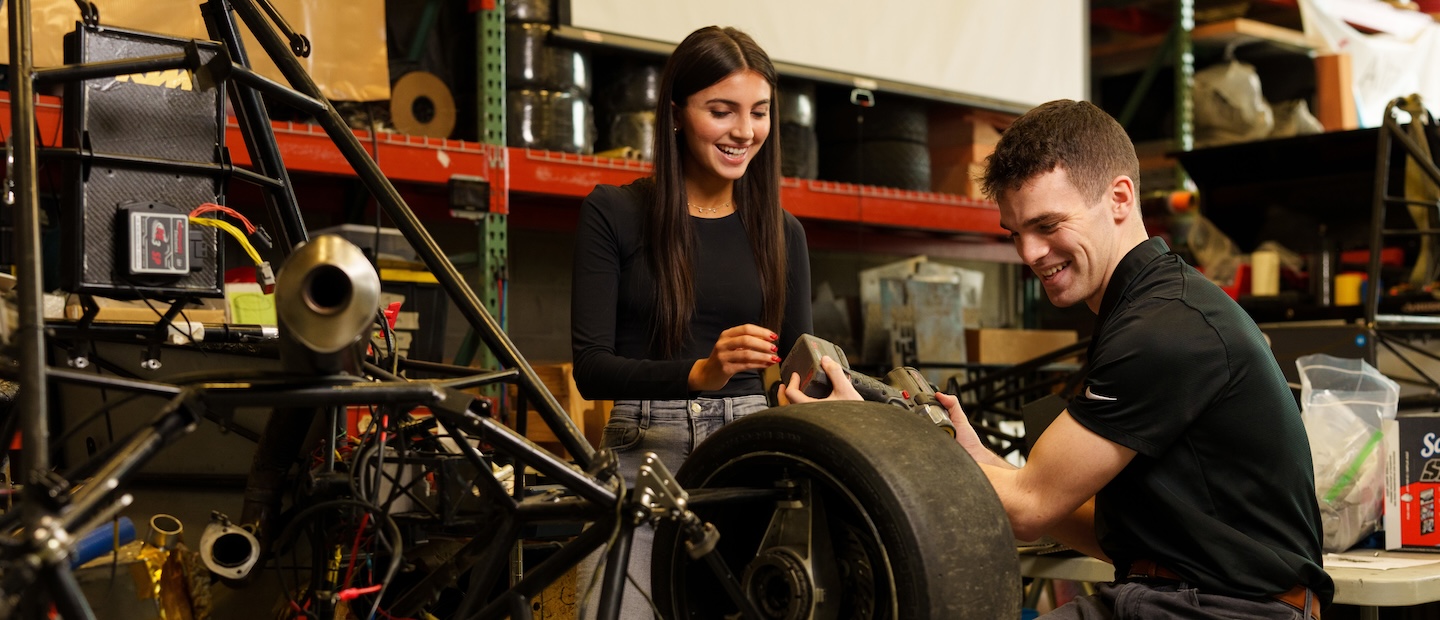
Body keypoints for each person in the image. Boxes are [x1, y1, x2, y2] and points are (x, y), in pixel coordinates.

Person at [787, 99, 1332, 619]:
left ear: (1119, 198)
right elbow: (1096, 525)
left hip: (1226, 611)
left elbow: (1028, 507)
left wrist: (873, 431)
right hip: (1177, 596)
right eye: (1016, 233)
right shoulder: (1149, 308)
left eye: (1047, 226)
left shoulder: (1164, 329)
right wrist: (979, 460)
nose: (1028, 253)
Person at [571, 25, 812, 618]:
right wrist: (698, 374)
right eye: (721, 111)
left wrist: (816, 391)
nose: (745, 132)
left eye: (759, 113)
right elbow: (591, 369)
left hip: (750, 460)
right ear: (677, 112)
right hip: (643, 456)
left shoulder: (783, 233)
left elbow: (796, 373)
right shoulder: (615, 213)